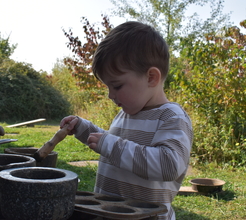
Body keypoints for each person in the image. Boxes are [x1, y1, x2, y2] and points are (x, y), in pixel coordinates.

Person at [60, 21, 193, 220]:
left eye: (117, 86)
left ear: (151, 78)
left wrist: (112, 146)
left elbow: (169, 165)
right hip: (110, 212)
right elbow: (114, 145)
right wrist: (84, 129)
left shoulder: (171, 117)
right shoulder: (127, 112)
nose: (110, 95)